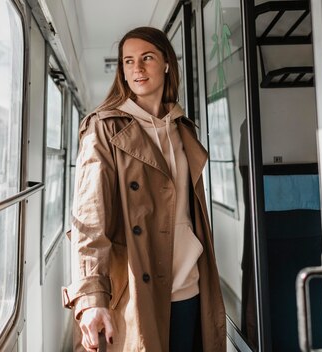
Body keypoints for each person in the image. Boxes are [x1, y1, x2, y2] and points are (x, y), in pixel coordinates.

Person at [62, 26, 226, 351]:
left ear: (166, 63)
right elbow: (89, 220)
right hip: (139, 286)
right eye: (128, 61)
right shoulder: (104, 128)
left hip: (190, 282)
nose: (136, 68)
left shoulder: (182, 128)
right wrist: (92, 294)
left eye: (146, 58)